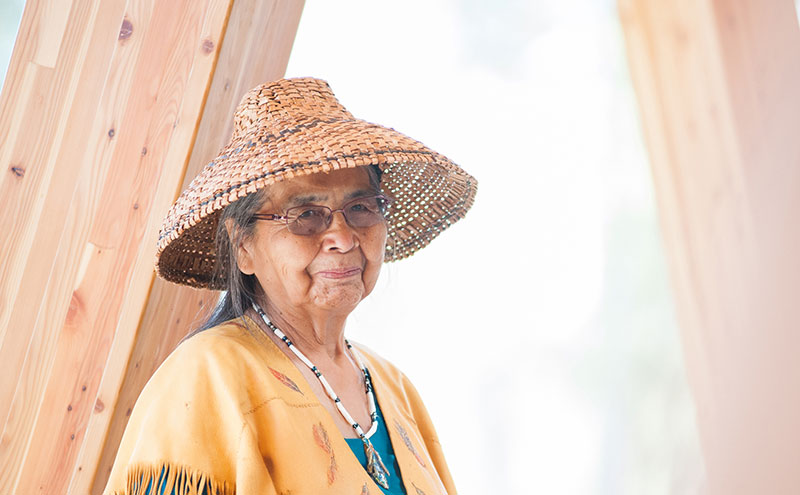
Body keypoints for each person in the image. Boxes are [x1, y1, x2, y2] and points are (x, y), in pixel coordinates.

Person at [103, 77, 477, 495]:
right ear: (242, 246)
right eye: (306, 215)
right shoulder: (204, 377)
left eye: (361, 208)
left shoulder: (393, 386)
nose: (342, 236)